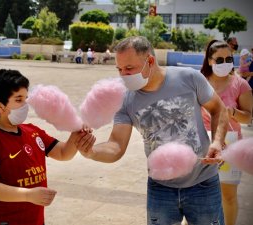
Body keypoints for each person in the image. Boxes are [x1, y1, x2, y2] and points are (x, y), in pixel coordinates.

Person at [79, 36, 228, 225]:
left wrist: (216, 141)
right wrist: (91, 151)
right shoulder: (125, 100)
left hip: (203, 182)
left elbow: (219, 109)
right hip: (161, 187)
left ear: (149, 61)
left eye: (129, 68)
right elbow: (116, 145)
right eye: (119, 69)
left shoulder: (189, 78)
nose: (123, 75)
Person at [0, 69, 95, 225]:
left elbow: (63, 153)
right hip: (4, 220)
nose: (25, 105)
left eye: (26, 99)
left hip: (34, 219)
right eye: (18, 100)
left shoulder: (33, 131)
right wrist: (28, 195)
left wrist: (76, 134)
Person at [201, 40, 252, 225]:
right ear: (209, 61)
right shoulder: (199, 82)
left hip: (231, 144)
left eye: (228, 58)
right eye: (219, 59)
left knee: (228, 195)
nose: (224, 63)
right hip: (202, 140)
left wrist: (233, 112)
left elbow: (248, 117)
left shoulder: (240, 84)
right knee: (196, 193)